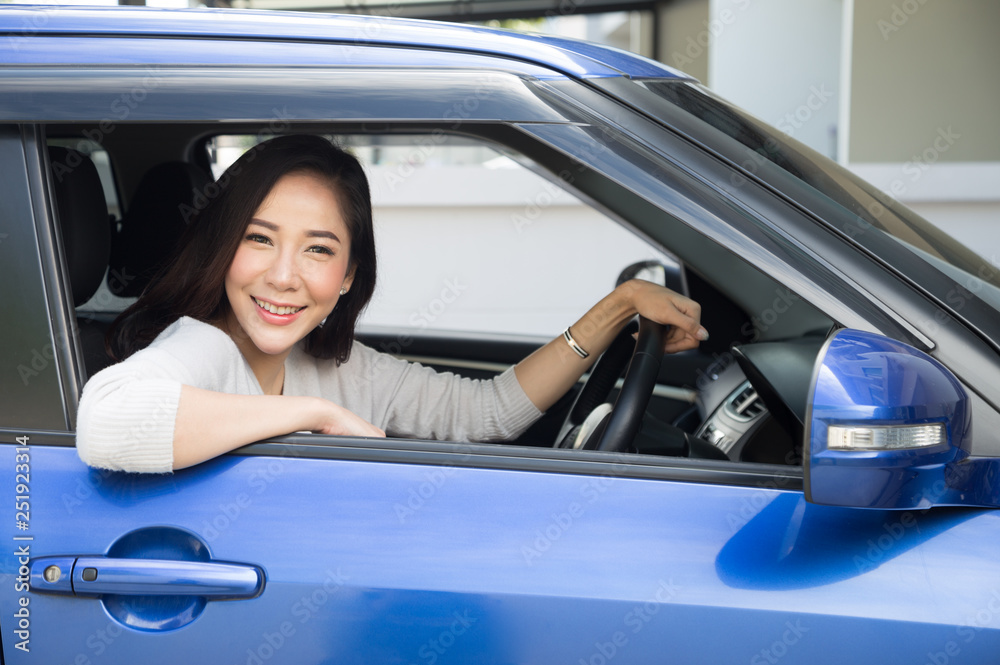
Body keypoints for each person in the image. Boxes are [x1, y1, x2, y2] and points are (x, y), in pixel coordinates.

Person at [76, 134, 708, 473]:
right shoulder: (203, 346)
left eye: (318, 251)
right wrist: (319, 417)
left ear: (349, 275)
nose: (284, 275)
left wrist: (617, 307)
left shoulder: (341, 365)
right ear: (225, 250)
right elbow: (106, 422)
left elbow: (485, 412)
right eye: (259, 240)